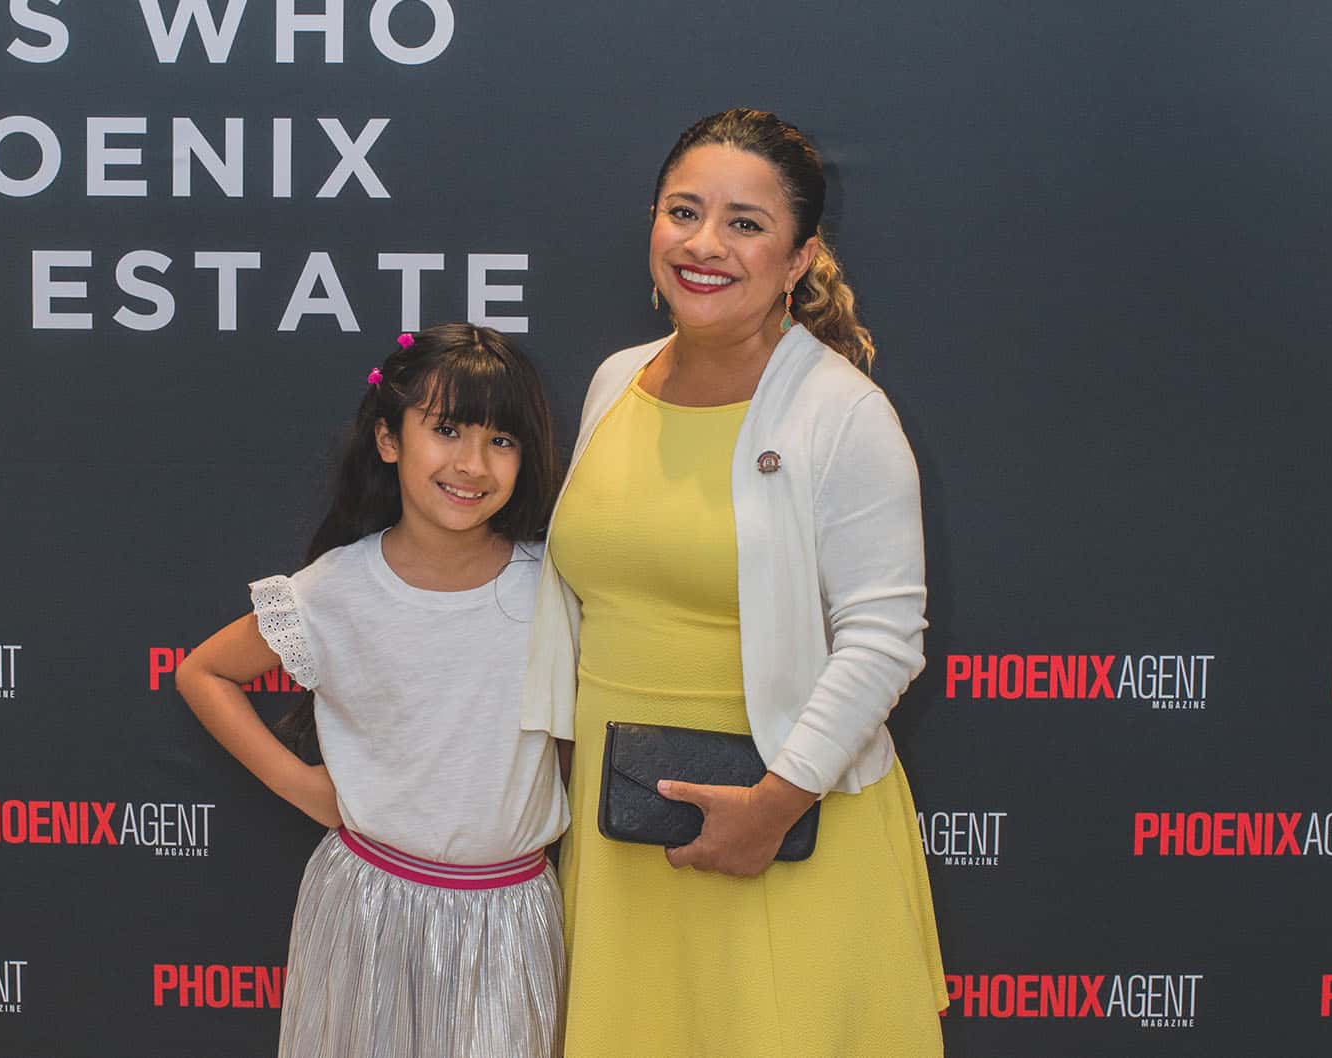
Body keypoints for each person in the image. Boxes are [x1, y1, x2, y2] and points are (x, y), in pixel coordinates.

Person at [520, 109, 948, 1057]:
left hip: (783, 838)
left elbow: (883, 641)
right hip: (620, 835)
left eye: (744, 223)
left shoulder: (842, 413)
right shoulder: (614, 383)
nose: (704, 244)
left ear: (798, 259)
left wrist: (773, 807)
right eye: (683, 211)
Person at [175, 323, 570, 1058]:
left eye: (501, 440)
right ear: (389, 438)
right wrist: (303, 786)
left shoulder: (552, 584)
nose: (472, 464)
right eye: (446, 430)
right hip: (368, 908)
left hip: (511, 916)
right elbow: (204, 672)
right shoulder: (337, 588)